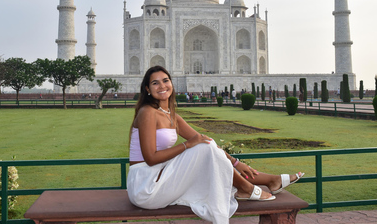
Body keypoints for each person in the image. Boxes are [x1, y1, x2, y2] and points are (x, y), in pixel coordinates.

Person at [127, 66, 304, 224]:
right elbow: (150, 159)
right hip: (146, 187)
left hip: (161, 177)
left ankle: (264, 182)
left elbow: (206, 141)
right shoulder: (147, 113)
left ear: (171, 83)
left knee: (206, 145)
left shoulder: (171, 115)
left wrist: (236, 162)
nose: (162, 86)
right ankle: (249, 187)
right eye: (155, 83)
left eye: (165, 81)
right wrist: (188, 145)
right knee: (201, 147)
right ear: (147, 89)